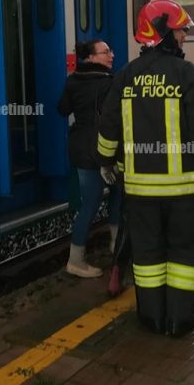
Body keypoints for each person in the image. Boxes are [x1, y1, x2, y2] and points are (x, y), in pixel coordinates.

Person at [96, 0, 194, 336]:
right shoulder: (189, 75)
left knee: (147, 255)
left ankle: (152, 319)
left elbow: (107, 127)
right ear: (164, 33)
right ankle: (180, 321)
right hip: (184, 191)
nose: (185, 36)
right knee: (185, 253)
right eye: (181, 30)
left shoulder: (125, 75)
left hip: (139, 192)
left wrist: (106, 162)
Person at [58, 39, 123, 278]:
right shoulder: (109, 83)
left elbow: (62, 109)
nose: (111, 55)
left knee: (92, 200)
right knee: (113, 195)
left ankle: (84, 255)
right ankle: (82, 258)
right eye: (106, 52)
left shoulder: (73, 80)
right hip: (102, 148)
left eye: (110, 50)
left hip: (79, 147)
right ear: (91, 57)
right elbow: (114, 120)